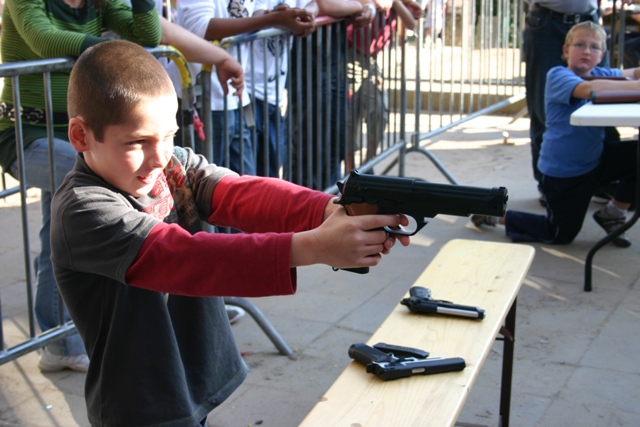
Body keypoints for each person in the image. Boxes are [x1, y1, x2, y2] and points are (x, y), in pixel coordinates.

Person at [51, 39, 409, 426]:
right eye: (137, 142)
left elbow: (239, 193)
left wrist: (329, 210)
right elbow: (186, 259)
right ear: (81, 136)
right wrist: (314, 246)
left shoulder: (172, 166)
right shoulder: (84, 208)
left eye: (169, 135)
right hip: (139, 405)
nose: (159, 157)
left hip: (190, 378)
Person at [0, 0, 163, 373]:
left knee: (56, 235)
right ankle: (129, 316)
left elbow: (147, 35)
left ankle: (60, 343)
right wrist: (112, 54)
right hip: (27, 136)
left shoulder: (98, 2)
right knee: (115, 191)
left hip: (78, 138)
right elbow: (45, 39)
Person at [472, 21, 638, 248]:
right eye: (580, 44)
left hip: (595, 160)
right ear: (565, 51)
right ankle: (494, 215)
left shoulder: (601, 72)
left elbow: (633, 73)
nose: (587, 51)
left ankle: (613, 212)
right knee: (559, 233)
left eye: (594, 47)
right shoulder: (558, 75)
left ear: (602, 55)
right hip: (564, 174)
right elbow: (589, 90)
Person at [176, 0, 316, 176]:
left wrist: (281, 17)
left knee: (248, 185)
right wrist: (272, 19)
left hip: (237, 96)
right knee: (204, 186)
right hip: (203, 101)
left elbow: (254, 11)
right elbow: (200, 27)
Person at [522, 1, 605, 205]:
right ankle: (549, 184)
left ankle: (601, 182)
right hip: (548, 21)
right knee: (544, 111)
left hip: (588, 17)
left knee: (603, 100)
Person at [248, 0, 319, 178]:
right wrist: (279, 18)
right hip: (248, 92)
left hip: (274, 96)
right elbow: (256, 13)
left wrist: (305, 15)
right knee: (250, 173)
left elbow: (318, 4)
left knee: (271, 169)